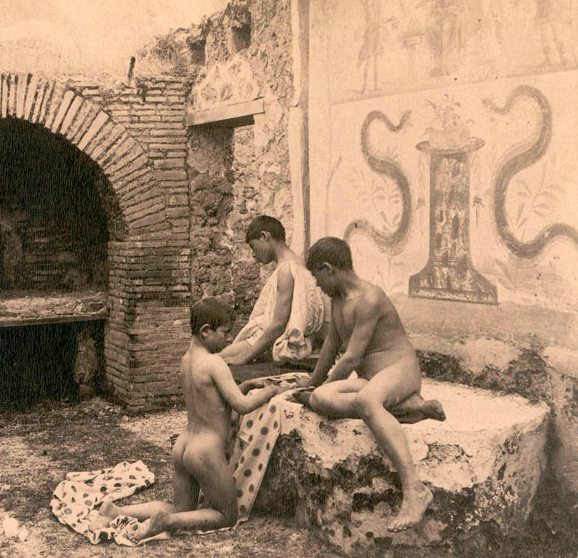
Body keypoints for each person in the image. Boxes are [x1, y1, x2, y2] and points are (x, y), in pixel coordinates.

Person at [98, 297, 286, 541]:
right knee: (227, 515)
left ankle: (117, 510)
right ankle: (170, 522)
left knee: (181, 508)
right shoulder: (215, 362)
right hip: (206, 450)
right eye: (226, 332)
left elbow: (213, 396)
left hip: (184, 445)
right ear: (206, 331)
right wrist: (271, 391)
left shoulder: (187, 360)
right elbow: (241, 405)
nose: (230, 339)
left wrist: (245, 385)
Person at [294, 237, 443, 531]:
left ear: (328, 268)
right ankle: (407, 408)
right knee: (322, 399)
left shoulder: (370, 298)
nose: (316, 284)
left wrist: (315, 388)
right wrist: (313, 384)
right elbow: (331, 346)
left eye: (316, 276)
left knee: (364, 401)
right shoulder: (337, 299)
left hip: (399, 370)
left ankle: (415, 489)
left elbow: (350, 358)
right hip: (371, 381)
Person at [219, 215, 325, 367]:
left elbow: (278, 325)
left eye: (253, 247)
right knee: (216, 360)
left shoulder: (286, 270)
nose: (253, 255)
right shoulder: (298, 264)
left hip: (271, 343)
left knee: (214, 361)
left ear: (264, 236)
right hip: (268, 340)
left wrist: (245, 357)